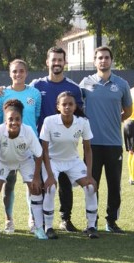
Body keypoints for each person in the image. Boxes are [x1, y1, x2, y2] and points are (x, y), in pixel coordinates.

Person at [30, 46, 84, 232]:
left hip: (66, 144)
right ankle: (42, 220)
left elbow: (81, 115)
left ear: (65, 62)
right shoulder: (37, 86)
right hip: (42, 143)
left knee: (66, 182)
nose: (57, 63)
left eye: (60, 60)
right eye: (53, 60)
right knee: (43, 182)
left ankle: (65, 218)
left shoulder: (73, 88)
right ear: (47, 62)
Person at [79, 46, 132, 233]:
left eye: (106, 57)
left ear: (111, 60)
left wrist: (112, 121)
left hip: (114, 143)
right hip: (91, 145)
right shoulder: (85, 83)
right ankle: (91, 223)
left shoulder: (122, 84)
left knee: (114, 184)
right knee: (91, 184)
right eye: (100, 58)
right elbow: (76, 107)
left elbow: (128, 111)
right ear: (95, 61)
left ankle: (111, 221)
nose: (103, 60)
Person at [40, 92, 99, 239]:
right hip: (52, 160)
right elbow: (44, 151)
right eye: (64, 104)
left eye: (70, 104)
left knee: (90, 187)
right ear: (58, 107)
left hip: (73, 160)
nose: (67, 107)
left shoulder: (83, 122)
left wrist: (89, 176)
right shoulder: (49, 121)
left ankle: (91, 227)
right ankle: (48, 227)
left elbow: (87, 149)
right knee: (50, 188)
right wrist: (50, 175)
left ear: (75, 106)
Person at [0, 99, 46, 240]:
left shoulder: (28, 131)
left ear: (22, 119)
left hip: (24, 161)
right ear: (5, 120)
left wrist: (36, 177)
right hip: (3, 162)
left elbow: (39, 154)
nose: (14, 122)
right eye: (10, 119)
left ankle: (38, 228)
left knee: (36, 188)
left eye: (17, 119)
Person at [0, 59, 41, 233]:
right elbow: (0, 120)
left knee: (32, 184)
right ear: (10, 73)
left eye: (21, 71)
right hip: (7, 146)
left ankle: (32, 219)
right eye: (14, 71)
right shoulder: (1, 94)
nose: (18, 74)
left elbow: (35, 117)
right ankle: (9, 220)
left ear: (26, 73)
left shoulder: (34, 93)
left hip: (29, 145)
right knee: (9, 184)